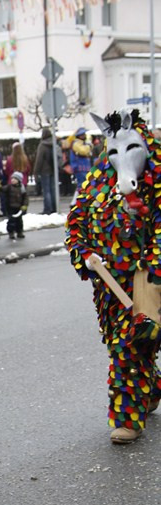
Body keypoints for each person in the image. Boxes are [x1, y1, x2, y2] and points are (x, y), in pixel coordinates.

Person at [66, 108, 160, 444]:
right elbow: (75, 223)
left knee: (127, 346)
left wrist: (150, 266)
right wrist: (84, 253)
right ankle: (150, 387)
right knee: (128, 343)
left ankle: (127, 417)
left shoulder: (157, 183)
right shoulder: (95, 183)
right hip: (106, 286)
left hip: (144, 283)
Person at [33, 126, 61, 214]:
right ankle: (54, 207)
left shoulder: (42, 145)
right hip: (53, 169)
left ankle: (47, 209)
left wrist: (36, 171)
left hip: (45, 170)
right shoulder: (54, 143)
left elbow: (39, 159)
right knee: (53, 189)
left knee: (46, 190)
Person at [68, 127, 92, 195]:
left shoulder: (83, 143)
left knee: (85, 184)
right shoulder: (76, 143)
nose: (84, 136)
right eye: (82, 134)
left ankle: (75, 201)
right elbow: (83, 151)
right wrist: (88, 146)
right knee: (81, 185)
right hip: (79, 167)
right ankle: (78, 201)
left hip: (85, 167)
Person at [5, 172, 29, 240]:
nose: (12, 180)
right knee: (11, 220)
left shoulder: (22, 188)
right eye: (12, 178)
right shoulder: (9, 187)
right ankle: (11, 232)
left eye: (15, 179)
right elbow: (3, 190)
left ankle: (19, 232)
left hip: (19, 207)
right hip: (11, 207)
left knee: (19, 221)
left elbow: (25, 198)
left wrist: (24, 205)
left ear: (19, 180)